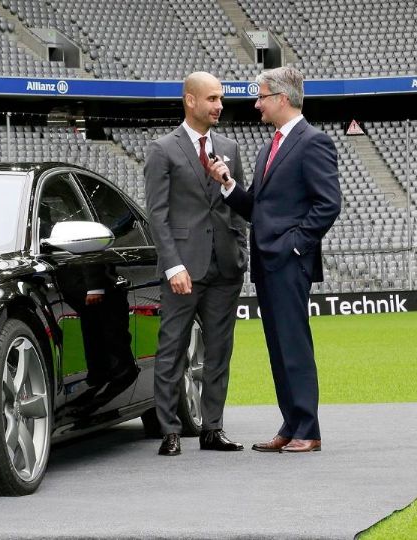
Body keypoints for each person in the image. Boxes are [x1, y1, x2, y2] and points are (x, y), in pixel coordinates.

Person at [209, 66, 341, 454]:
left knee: (293, 345)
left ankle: (308, 430)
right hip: (268, 262)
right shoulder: (271, 146)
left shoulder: (313, 141)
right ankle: (291, 423)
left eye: (262, 96)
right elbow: (259, 209)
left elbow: (328, 203)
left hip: (288, 261)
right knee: (279, 346)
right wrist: (229, 185)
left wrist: (295, 245)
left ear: (282, 99)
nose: (256, 104)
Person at [144, 71, 248, 457]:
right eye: (212, 99)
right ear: (190, 101)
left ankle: (213, 428)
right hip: (183, 271)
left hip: (225, 268)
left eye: (220, 99)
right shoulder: (162, 149)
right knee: (172, 350)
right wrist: (173, 266)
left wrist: (240, 251)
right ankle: (170, 430)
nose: (219, 105)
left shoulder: (230, 148)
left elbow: (238, 205)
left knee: (219, 351)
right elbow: (157, 214)